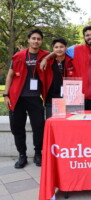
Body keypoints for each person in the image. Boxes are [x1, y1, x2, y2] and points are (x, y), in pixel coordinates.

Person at [3, 29, 49, 168]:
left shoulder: (45, 55)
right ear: (28, 40)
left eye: (39, 39)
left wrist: (47, 58)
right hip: (17, 98)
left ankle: (37, 154)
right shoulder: (18, 56)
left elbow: (58, 52)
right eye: (33, 38)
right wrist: (6, 95)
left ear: (41, 41)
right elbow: (10, 76)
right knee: (17, 128)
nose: (36, 41)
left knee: (39, 127)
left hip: (35, 98)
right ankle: (22, 155)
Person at [40, 26, 91, 110]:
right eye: (87, 35)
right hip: (77, 96)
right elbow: (59, 51)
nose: (90, 37)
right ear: (84, 37)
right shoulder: (75, 49)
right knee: (77, 122)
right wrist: (46, 58)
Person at [40, 38, 76, 119]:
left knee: (66, 126)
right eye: (56, 47)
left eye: (61, 47)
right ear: (53, 49)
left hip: (69, 100)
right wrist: (46, 59)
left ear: (66, 48)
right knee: (52, 123)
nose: (59, 49)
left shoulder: (72, 61)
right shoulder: (48, 63)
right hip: (52, 100)